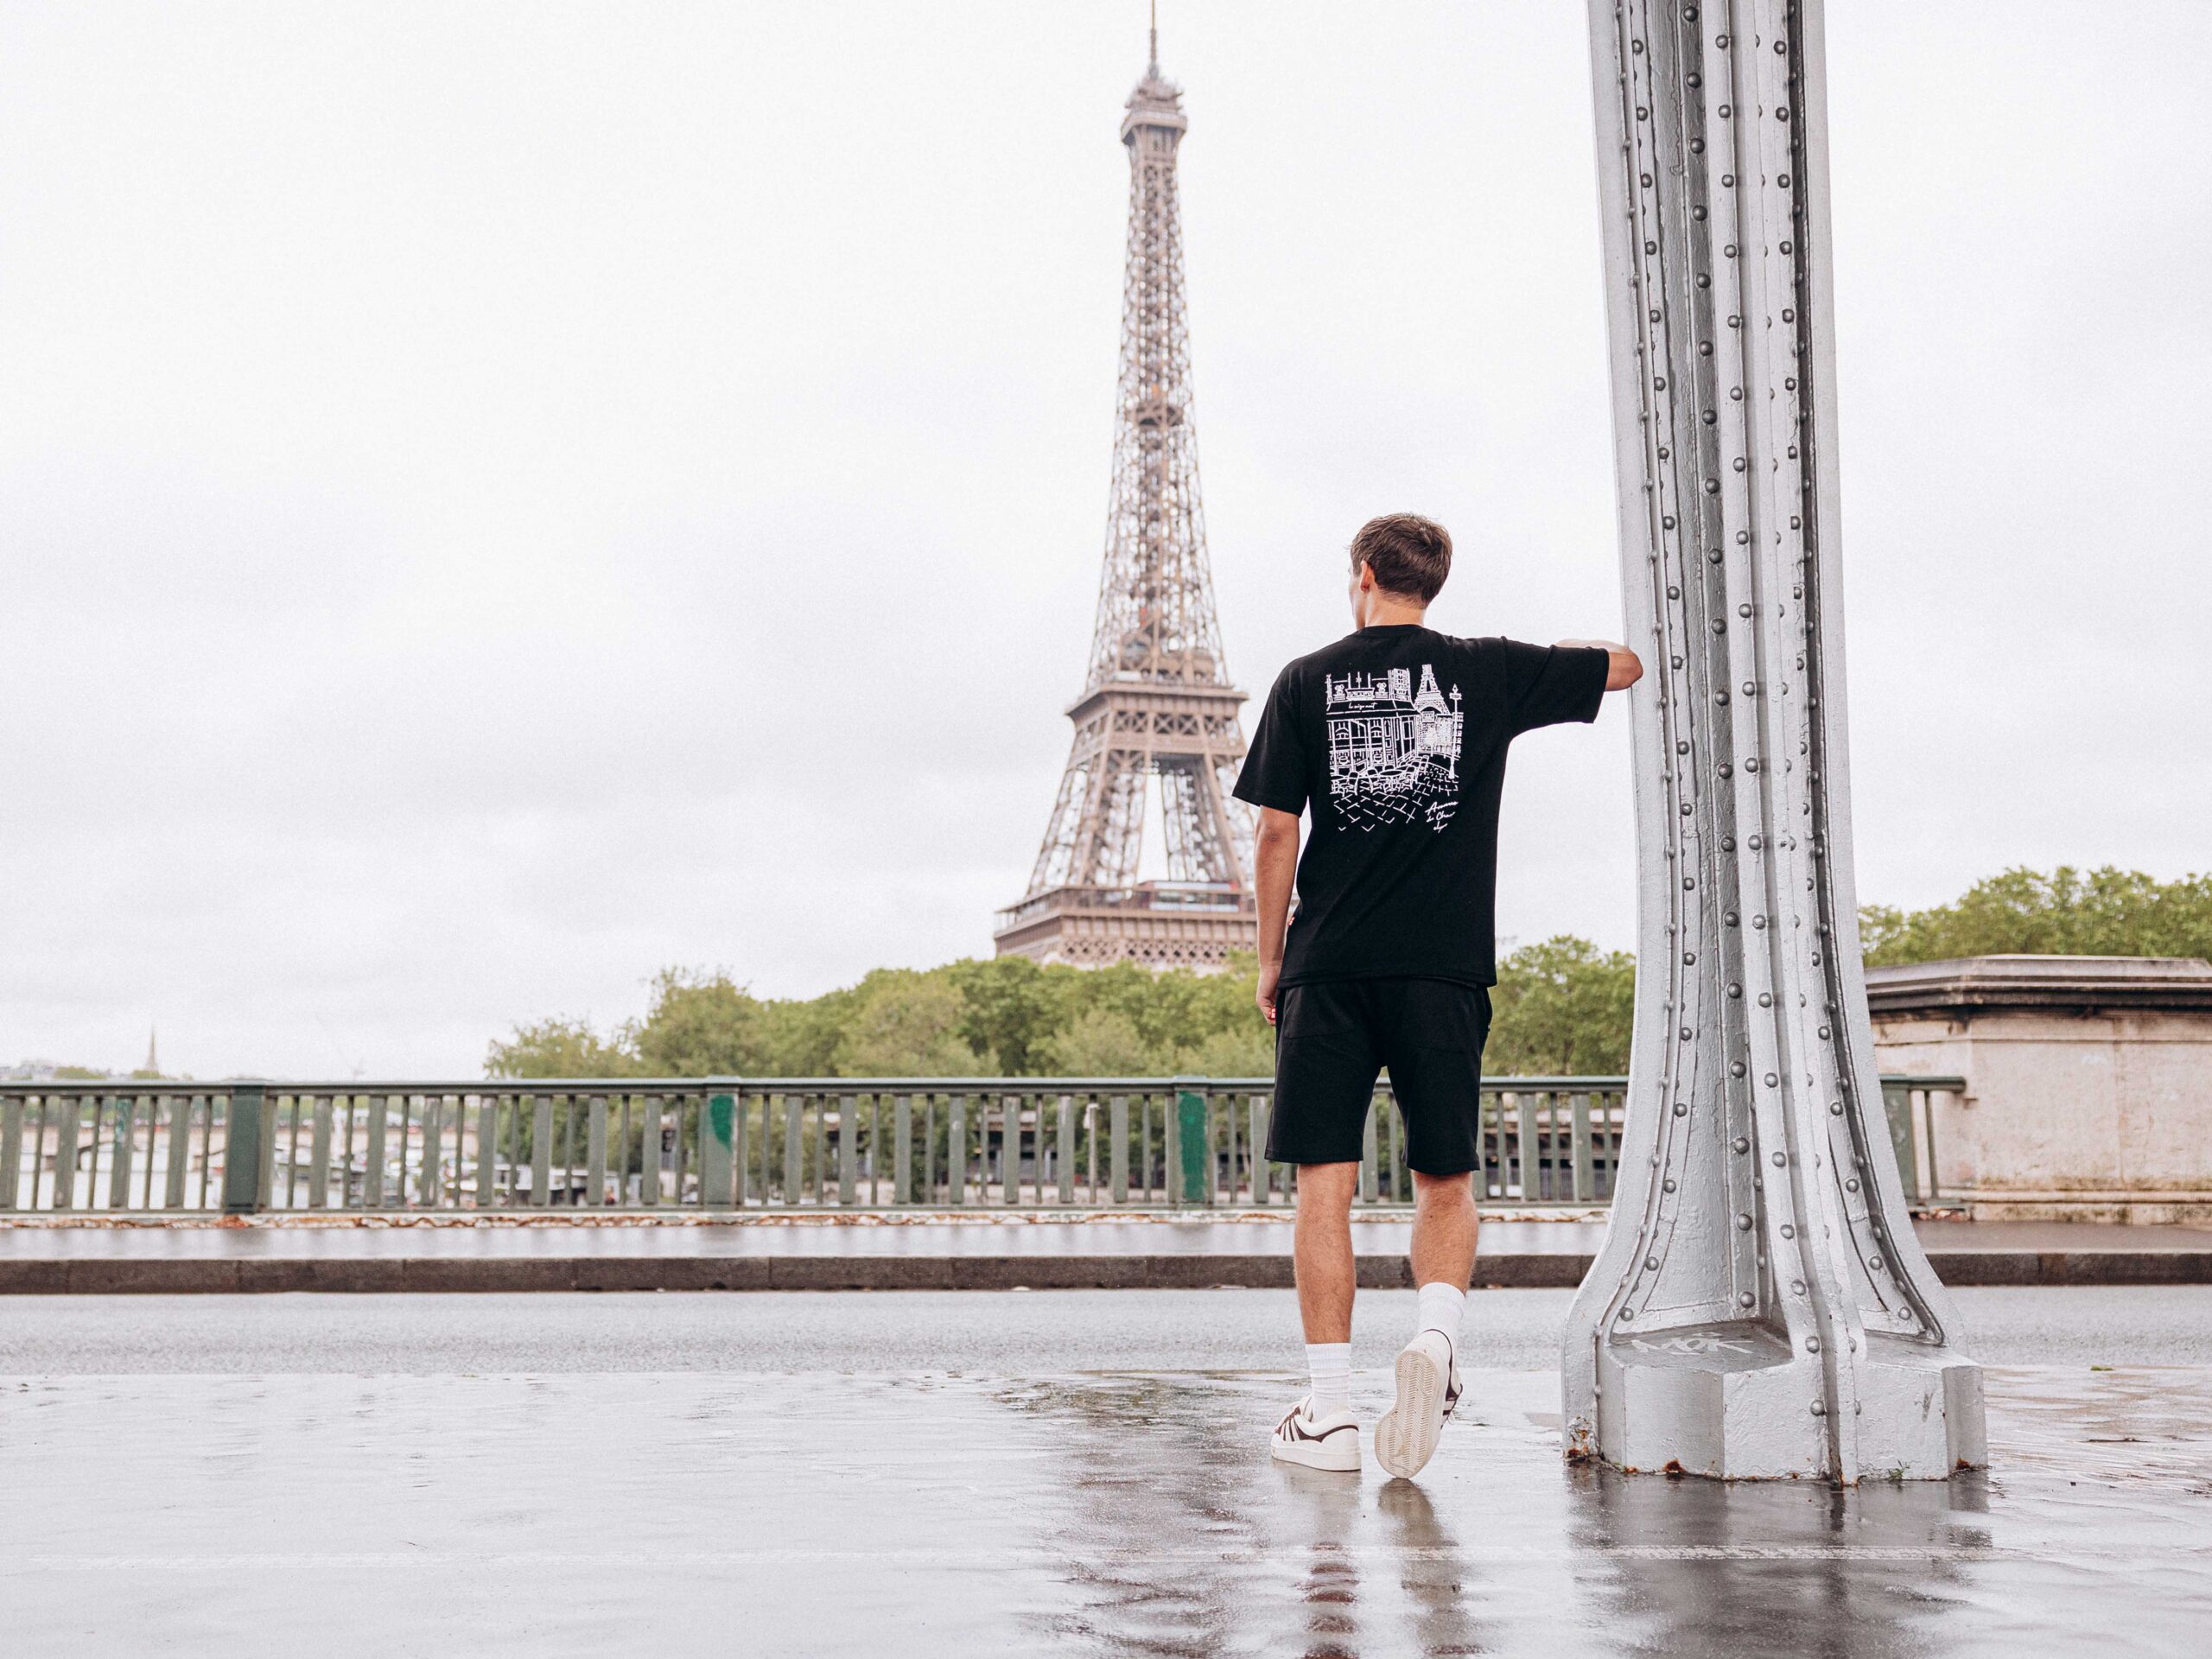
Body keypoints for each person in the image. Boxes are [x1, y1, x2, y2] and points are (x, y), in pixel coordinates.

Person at [1232, 512, 1641, 1478]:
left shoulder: (1304, 679)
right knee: (1445, 1177)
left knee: (1322, 1190)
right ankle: (1438, 1341)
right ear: (1431, 582)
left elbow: (1272, 839)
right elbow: (1622, 664)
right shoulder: (1484, 669)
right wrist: (1537, 656)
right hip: (1444, 967)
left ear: (1364, 574)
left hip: (1328, 966)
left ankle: (1328, 1413)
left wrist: (1268, 961)